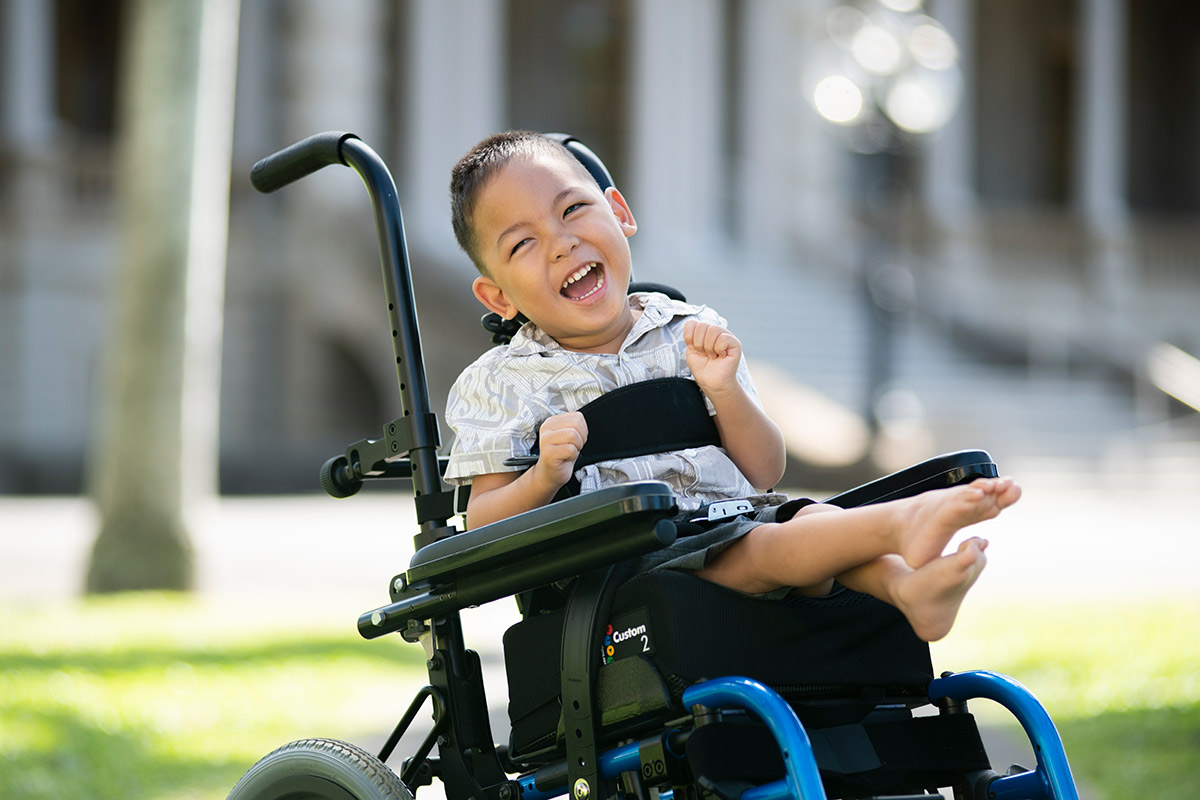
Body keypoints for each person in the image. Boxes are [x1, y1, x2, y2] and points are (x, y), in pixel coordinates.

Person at [443, 131, 1020, 642]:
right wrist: (545, 475)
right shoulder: (503, 383)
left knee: (805, 524)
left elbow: (764, 472)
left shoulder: (688, 332)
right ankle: (901, 523)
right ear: (498, 297)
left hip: (737, 520)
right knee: (774, 543)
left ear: (619, 211)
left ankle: (906, 587)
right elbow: (481, 526)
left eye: (573, 209)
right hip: (626, 579)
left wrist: (725, 393)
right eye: (522, 243)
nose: (561, 242)